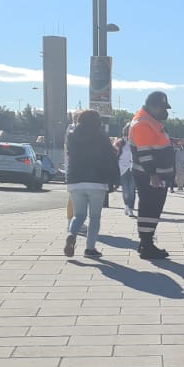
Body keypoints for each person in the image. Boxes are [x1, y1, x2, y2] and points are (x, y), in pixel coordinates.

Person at [61, 110, 120, 260]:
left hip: (75, 180)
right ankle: (90, 248)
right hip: (97, 181)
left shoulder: (72, 136)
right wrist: (115, 179)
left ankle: (71, 234)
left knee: (79, 215)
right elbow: (111, 158)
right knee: (94, 217)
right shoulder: (101, 137)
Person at [129, 91, 178, 260]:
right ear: (152, 106)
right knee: (150, 209)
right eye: (162, 108)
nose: (165, 112)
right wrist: (153, 175)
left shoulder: (151, 122)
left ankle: (146, 243)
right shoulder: (143, 123)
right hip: (149, 174)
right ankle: (147, 245)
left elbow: (154, 144)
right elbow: (144, 153)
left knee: (152, 208)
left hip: (155, 173)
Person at [115, 136, 136, 218]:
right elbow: (115, 154)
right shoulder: (121, 142)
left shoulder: (135, 141)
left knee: (132, 189)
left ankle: (130, 207)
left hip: (133, 168)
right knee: (126, 190)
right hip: (122, 169)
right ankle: (127, 205)